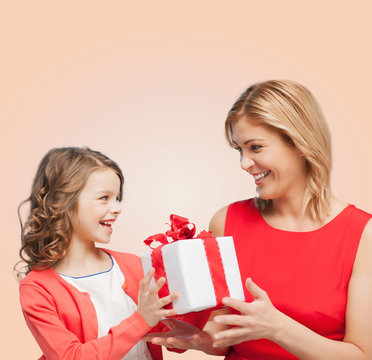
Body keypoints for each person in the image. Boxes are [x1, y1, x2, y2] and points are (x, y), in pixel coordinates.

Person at [147, 80, 372, 359]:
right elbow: (227, 335)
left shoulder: (362, 235)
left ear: (300, 143)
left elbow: (362, 355)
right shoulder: (226, 221)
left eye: (255, 147)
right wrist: (205, 340)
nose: (244, 163)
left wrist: (278, 328)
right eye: (240, 150)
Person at [16, 147, 179, 360]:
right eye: (104, 197)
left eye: (117, 198)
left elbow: (165, 333)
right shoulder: (37, 288)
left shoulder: (133, 265)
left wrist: (189, 325)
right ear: (64, 202)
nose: (117, 208)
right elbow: (71, 356)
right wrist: (141, 320)